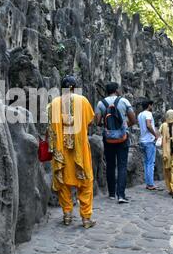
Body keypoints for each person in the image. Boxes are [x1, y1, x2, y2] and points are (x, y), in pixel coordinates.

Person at [47, 75, 96, 228]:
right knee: (86, 182)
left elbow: (49, 128)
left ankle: (67, 214)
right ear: (74, 87)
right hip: (79, 151)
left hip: (60, 152)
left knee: (63, 183)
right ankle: (86, 218)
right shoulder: (83, 101)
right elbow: (90, 120)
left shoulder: (53, 103)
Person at [95, 82, 136, 204]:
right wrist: (123, 126)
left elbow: (97, 122)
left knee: (110, 165)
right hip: (123, 138)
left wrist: (108, 127)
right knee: (122, 165)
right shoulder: (124, 101)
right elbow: (133, 119)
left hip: (108, 138)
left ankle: (111, 193)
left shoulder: (101, 103)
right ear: (116, 90)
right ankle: (121, 195)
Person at [137, 100, 159, 190]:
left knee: (146, 162)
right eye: (152, 105)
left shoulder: (140, 115)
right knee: (150, 163)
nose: (152, 107)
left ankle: (148, 182)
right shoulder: (148, 114)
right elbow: (149, 125)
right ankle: (150, 184)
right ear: (149, 105)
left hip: (142, 140)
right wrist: (155, 135)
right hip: (149, 140)